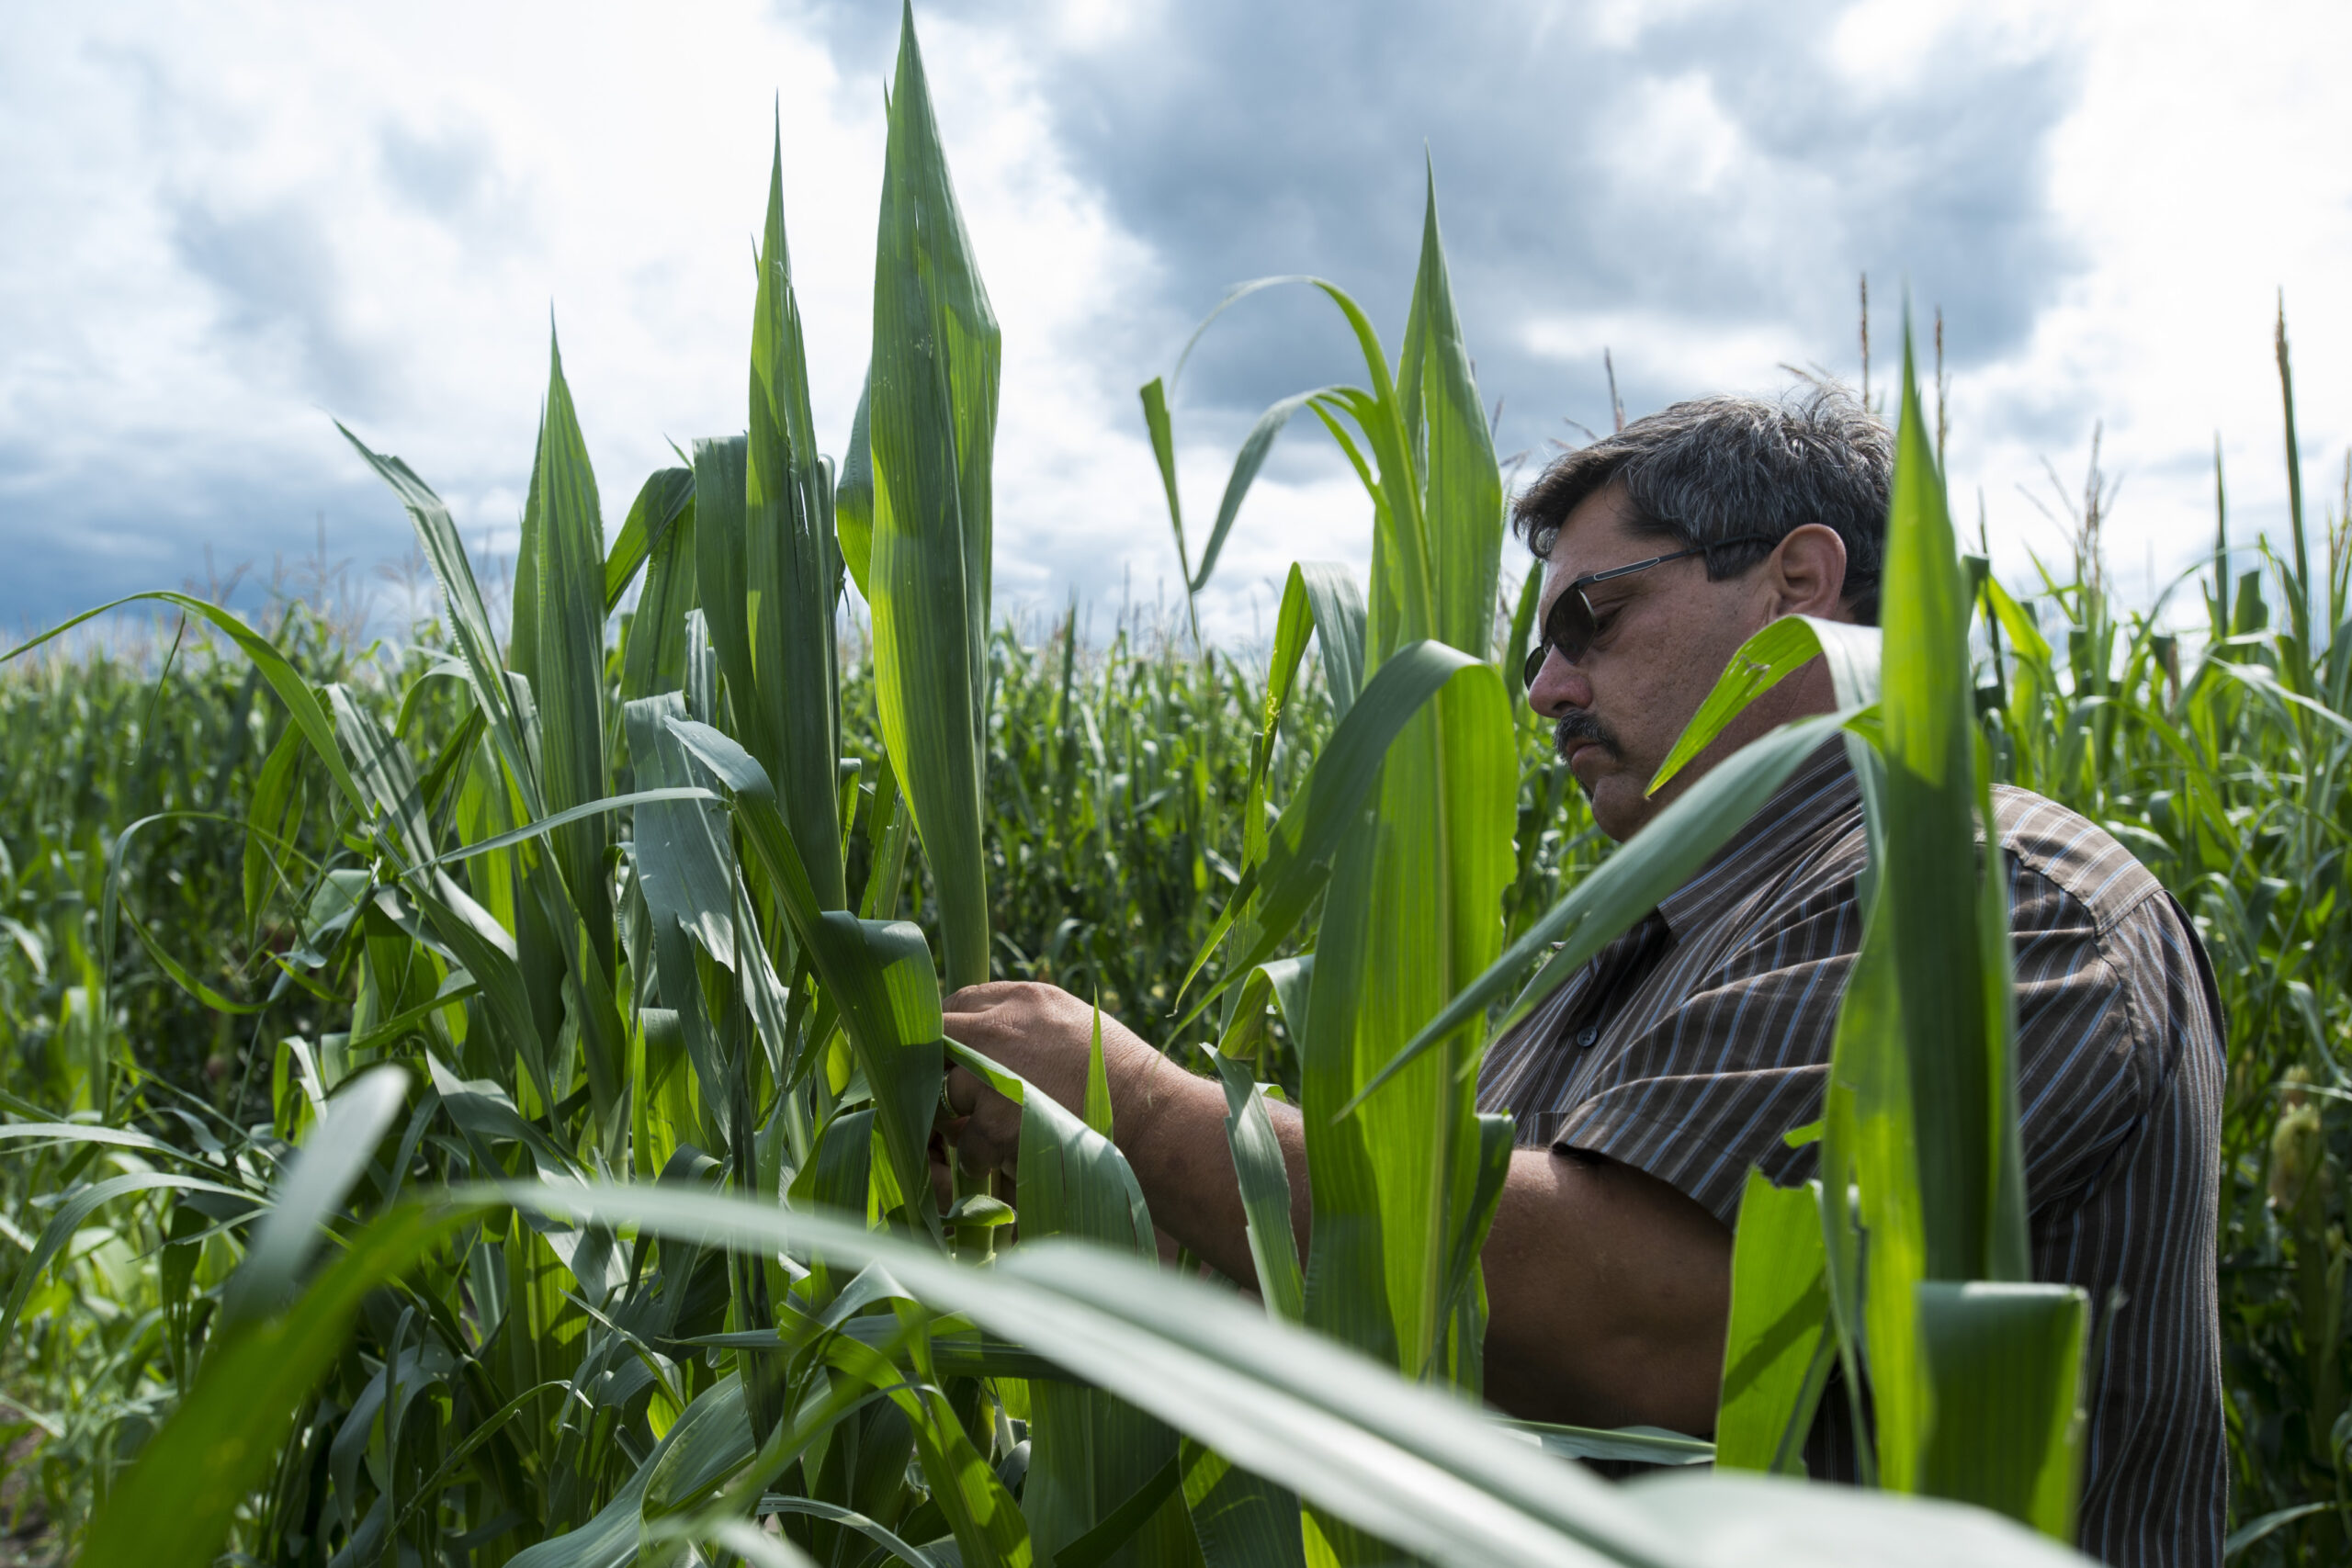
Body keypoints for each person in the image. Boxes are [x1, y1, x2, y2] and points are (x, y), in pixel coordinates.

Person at [938, 388, 2224, 1568]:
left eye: (1589, 620)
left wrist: (1146, 1111)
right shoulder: (1633, 948)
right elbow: (1424, 1313)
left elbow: (1643, 1333)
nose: (1545, 687)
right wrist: (1109, 1192)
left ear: (1798, 584)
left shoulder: (1985, 891)